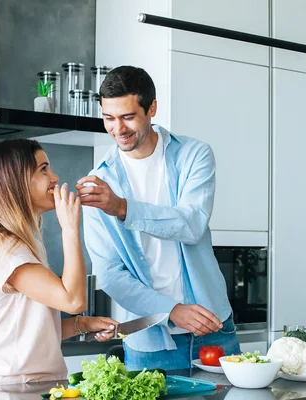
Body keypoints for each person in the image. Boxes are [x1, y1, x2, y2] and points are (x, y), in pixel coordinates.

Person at [76, 66, 241, 370]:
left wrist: (124, 208)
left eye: (128, 117)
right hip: (149, 339)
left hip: (213, 328)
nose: (118, 129)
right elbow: (110, 273)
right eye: (108, 118)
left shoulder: (194, 155)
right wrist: (171, 310)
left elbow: (191, 224)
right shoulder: (98, 183)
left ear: (152, 108)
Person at [0, 139, 117, 387]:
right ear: (17, 182)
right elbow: (73, 300)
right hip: (13, 388)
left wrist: (83, 324)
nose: (54, 178)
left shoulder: (22, 242)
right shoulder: (2, 247)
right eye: (43, 169)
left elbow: (29, 331)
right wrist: (70, 229)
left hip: (31, 386)